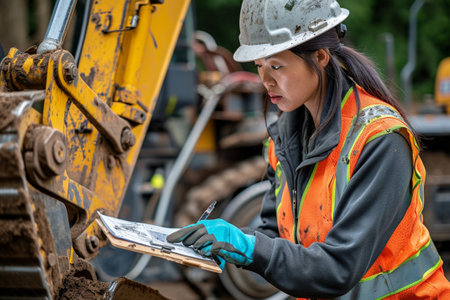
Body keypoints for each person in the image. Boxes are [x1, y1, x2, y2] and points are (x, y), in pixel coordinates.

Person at [167, 0, 450, 298]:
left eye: (276, 65)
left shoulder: (379, 139)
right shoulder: (285, 139)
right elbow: (276, 234)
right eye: (259, 66)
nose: (266, 81)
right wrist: (230, 241)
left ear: (320, 56)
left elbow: (338, 269)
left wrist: (248, 247)